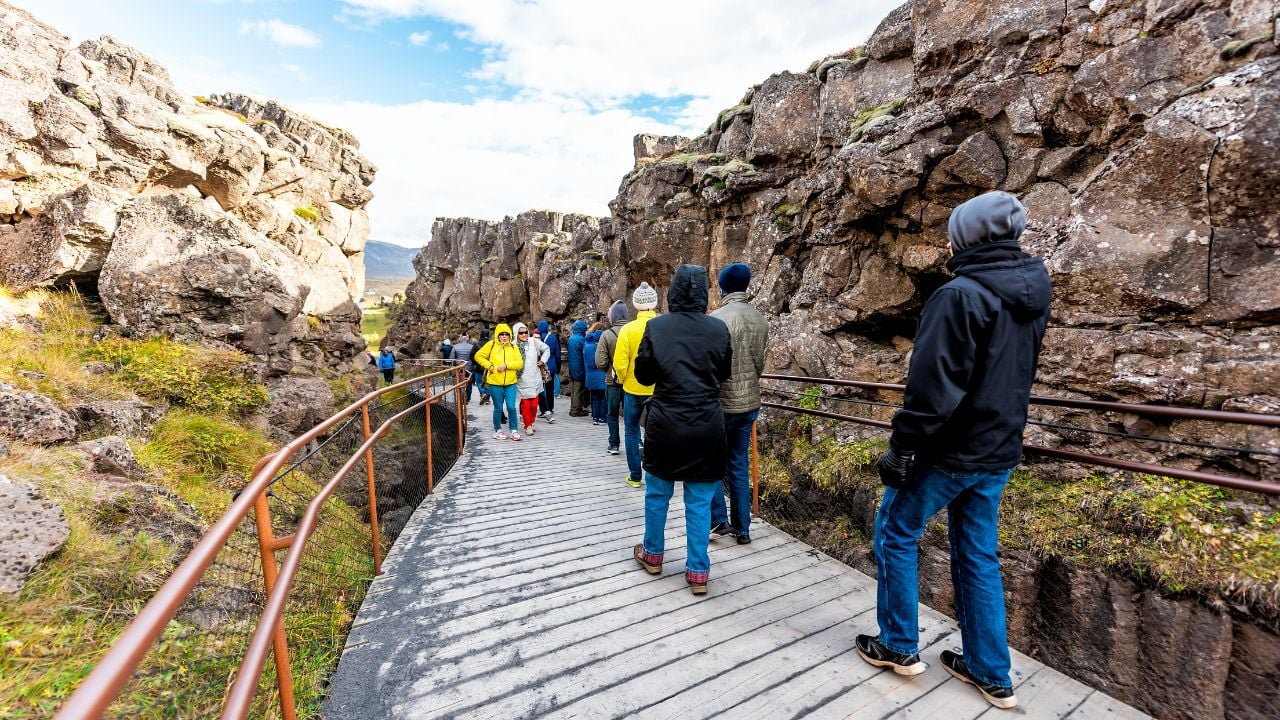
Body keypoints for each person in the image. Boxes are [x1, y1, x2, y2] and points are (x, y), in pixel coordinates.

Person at [856, 191, 1050, 711]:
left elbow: (933, 388)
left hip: (948, 451)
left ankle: (898, 645)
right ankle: (991, 671)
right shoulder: (1033, 291)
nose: (947, 239)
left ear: (971, 236)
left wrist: (901, 447)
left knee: (896, 532)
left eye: (954, 231)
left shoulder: (959, 295)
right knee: (978, 554)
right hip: (1000, 448)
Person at [631, 265, 732, 596]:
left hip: (666, 423)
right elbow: (725, 374)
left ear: (672, 293)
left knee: (658, 493)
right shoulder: (719, 329)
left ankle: (653, 555)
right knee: (700, 502)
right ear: (704, 293)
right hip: (706, 423)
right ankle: (699, 572)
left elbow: (644, 377)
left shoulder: (657, 327)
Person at [707, 263, 769, 545]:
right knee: (739, 464)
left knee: (713, 463)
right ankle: (743, 529)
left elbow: (713, 366)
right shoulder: (759, 319)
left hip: (721, 403)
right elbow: (759, 364)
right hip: (749, 403)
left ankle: (719, 520)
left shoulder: (716, 319)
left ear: (722, 287)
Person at [613, 283, 658, 487]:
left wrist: (623, 379)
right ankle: (656, 473)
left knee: (631, 430)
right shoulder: (663, 325)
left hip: (632, 388)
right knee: (656, 430)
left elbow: (620, 363)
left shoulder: (627, 329)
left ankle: (635, 476)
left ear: (636, 304)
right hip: (658, 389)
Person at [473, 323, 525, 441]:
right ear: (497, 335)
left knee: (512, 407)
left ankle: (514, 430)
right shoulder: (491, 345)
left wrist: (506, 365)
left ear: (510, 335)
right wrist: (490, 366)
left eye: (507, 334)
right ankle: (498, 430)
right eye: (502, 334)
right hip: (495, 382)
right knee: (498, 408)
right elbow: (478, 356)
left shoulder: (513, 347)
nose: (504, 336)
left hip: (511, 382)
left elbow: (520, 363)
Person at [595, 300, 628, 454]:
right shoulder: (633, 330)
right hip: (631, 381)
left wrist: (610, 367)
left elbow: (600, 362)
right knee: (631, 415)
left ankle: (614, 444)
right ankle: (637, 443)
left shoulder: (606, 335)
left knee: (612, 414)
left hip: (613, 380)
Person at [514, 322, 551, 436]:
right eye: (521, 333)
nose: (524, 335)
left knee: (534, 404)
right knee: (526, 405)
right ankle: (527, 425)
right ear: (516, 333)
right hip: (522, 379)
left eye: (526, 332)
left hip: (535, 377)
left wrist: (543, 361)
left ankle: (532, 421)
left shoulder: (533, 341)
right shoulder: (513, 345)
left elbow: (546, 349)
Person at [583, 323, 607, 425]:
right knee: (603, 398)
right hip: (602, 376)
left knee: (595, 397)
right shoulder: (604, 348)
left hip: (590, 376)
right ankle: (602, 417)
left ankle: (595, 417)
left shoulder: (587, 347)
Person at [566, 320, 590, 416]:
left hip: (572, 366)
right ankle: (576, 410)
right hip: (579, 366)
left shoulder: (571, 338)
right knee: (579, 389)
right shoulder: (581, 340)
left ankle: (573, 407)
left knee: (574, 388)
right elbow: (584, 354)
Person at [537, 320, 560, 418]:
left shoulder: (537, 338)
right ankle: (550, 407)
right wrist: (557, 367)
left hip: (540, 365)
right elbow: (558, 354)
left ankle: (543, 409)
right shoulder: (552, 338)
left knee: (540, 388)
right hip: (551, 365)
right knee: (550, 388)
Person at [453, 334, 475, 404]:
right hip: (469, 367)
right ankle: (467, 398)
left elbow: (451, 359)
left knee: (459, 382)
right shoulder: (472, 347)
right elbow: (474, 358)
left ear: (460, 338)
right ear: (467, 338)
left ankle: (461, 397)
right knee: (469, 382)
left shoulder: (455, 347)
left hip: (459, 367)